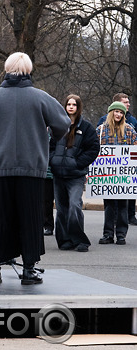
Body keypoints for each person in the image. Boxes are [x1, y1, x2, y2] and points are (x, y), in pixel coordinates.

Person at [0, 52, 70, 285]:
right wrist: (48, 136)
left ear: (6, 70)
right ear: (28, 70)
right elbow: (64, 124)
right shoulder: (40, 97)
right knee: (30, 218)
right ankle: (28, 269)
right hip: (31, 168)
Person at [49, 95, 99, 252]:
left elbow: (93, 148)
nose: (71, 107)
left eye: (74, 104)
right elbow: (48, 145)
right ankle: (64, 240)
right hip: (58, 174)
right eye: (68, 104)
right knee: (62, 209)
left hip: (75, 175)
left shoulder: (86, 127)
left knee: (74, 207)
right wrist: (52, 160)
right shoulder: (57, 126)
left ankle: (80, 240)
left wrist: (78, 163)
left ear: (78, 107)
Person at [96, 101, 137, 246]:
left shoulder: (130, 131)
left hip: (124, 175)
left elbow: (135, 152)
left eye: (121, 112)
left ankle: (121, 234)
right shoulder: (101, 130)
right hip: (106, 174)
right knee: (108, 205)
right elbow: (95, 151)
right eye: (116, 111)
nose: (118, 114)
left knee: (122, 205)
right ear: (110, 112)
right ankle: (107, 234)